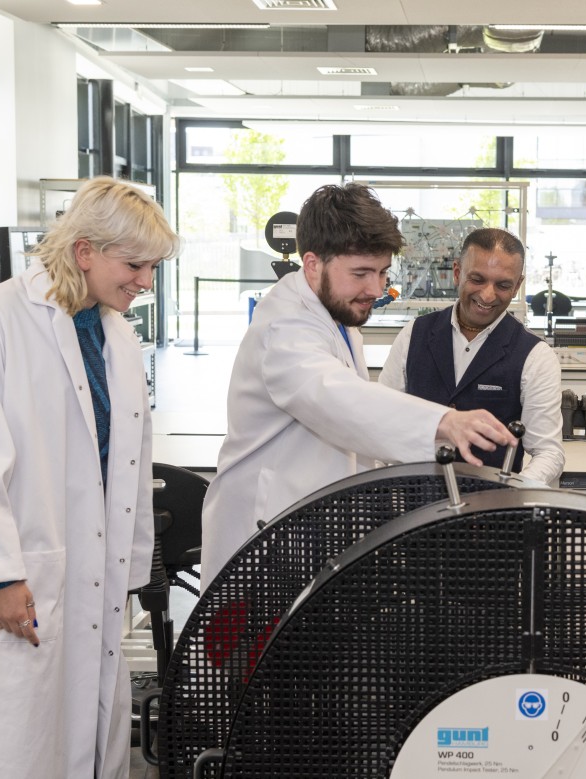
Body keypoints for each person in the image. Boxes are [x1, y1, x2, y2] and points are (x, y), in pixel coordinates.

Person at [0, 177, 179, 779]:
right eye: (135, 265)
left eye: (153, 267)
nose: (146, 281)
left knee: (86, 736)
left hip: (91, 574)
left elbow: (125, 462)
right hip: (17, 577)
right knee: (12, 743)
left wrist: (132, 562)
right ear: (85, 251)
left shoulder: (113, 333)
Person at [200, 183, 516, 585]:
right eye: (361, 273)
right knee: (255, 649)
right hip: (264, 542)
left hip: (311, 531)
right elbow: (333, 395)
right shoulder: (284, 327)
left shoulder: (333, 314)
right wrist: (443, 422)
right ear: (312, 263)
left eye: (383, 272)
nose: (376, 289)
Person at [378, 227, 564, 484]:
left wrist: (513, 493)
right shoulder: (414, 335)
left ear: (518, 285)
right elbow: (381, 422)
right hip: (415, 507)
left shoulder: (535, 356)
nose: (487, 295)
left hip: (491, 512)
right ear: (457, 272)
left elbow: (548, 452)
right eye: (477, 279)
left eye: (503, 285)